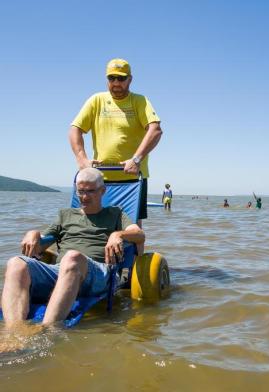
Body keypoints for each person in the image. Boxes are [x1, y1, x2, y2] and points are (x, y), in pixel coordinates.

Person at [1, 168, 145, 328]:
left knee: (72, 257)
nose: (84, 197)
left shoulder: (115, 213)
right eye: (80, 191)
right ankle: (14, 333)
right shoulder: (65, 215)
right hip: (61, 271)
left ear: (103, 191)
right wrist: (33, 234)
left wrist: (118, 235)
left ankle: (47, 332)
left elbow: (139, 234)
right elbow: (41, 243)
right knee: (16, 263)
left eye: (90, 191)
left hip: (99, 274)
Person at [69, 58, 162, 225]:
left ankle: (136, 252)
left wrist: (136, 159)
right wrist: (82, 159)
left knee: (132, 225)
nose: (116, 83)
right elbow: (75, 129)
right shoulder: (96, 100)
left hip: (132, 178)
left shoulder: (139, 101)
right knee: (92, 224)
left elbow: (155, 130)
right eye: (112, 78)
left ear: (130, 79)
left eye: (121, 78)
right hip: (98, 178)